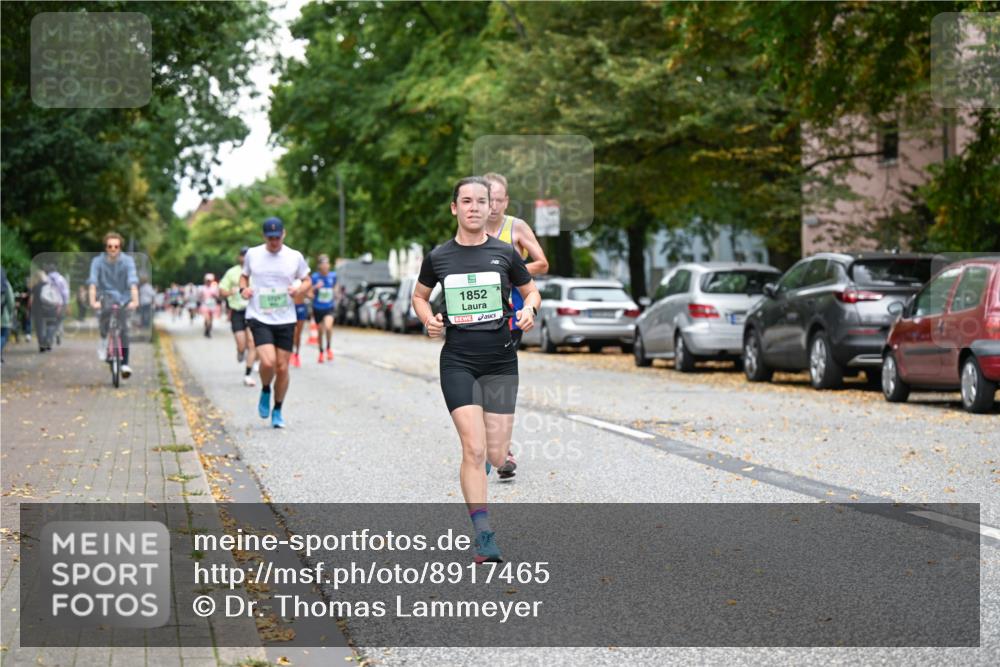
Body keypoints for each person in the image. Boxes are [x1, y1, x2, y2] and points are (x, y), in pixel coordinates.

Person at [411, 177, 540, 563]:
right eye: (465, 201)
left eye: (480, 202)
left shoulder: (504, 253)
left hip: (501, 359)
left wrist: (529, 308)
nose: (473, 207)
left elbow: (531, 289)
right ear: (455, 208)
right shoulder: (439, 257)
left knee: (497, 454)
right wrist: (428, 319)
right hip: (459, 361)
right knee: (474, 446)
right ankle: (483, 534)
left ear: (490, 208)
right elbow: (419, 296)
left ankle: (485, 466)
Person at [483, 172, 550, 479]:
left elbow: (543, 263)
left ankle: (502, 449)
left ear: (506, 200)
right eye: (488, 199)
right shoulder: (473, 228)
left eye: (499, 200)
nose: (493, 206)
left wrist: (511, 270)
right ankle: (487, 444)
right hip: (478, 318)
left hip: (511, 317)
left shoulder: (516, 227)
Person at [239, 217, 311, 428]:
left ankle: (277, 409)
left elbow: (307, 280)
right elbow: (244, 278)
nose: (274, 242)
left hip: (286, 318)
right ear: (264, 237)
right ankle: (265, 389)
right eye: (270, 238)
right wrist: (243, 289)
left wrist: (300, 289)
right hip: (259, 316)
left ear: (283, 234)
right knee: (268, 362)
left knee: (282, 367)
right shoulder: (253, 254)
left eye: (277, 237)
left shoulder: (294, 256)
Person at [87, 232, 139, 378]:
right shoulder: (97, 261)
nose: (113, 249)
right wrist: (93, 301)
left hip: (123, 297)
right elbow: (93, 282)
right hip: (105, 296)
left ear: (120, 247)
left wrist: (135, 300)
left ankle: (125, 364)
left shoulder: (128, 261)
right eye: (110, 246)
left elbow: (132, 281)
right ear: (106, 247)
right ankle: (104, 341)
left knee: (124, 329)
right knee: (104, 319)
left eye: (116, 246)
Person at [219, 247, 257, 386]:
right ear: (239, 257)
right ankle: (241, 352)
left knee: (252, 343)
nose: (245, 258)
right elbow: (221, 290)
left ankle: (247, 374)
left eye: (247, 256)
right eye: (243, 256)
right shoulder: (232, 272)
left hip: (252, 311)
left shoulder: (257, 270)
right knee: (242, 345)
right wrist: (230, 292)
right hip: (237, 312)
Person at [309, 254, 337, 363]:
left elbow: (335, 287)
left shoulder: (333, 276)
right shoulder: (315, 277)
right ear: (319, 266)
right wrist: (316, 287)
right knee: (320, 331)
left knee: (328, 327)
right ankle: (321, 352)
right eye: (323, 264)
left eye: (327, 263)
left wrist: (335, 293)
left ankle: (329, 348)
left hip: (329, 307)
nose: (325, 266)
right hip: (318, 308)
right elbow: (309, 292)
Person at [290, 286, 308, 368]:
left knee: (298, 334)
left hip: (301, 308)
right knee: (293, 332)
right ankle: (290, 352)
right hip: (290, 307)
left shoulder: (305, 280)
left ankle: (297, 354)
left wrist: (308, 292)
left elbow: (310, 294)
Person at [198, 273, 220, 337]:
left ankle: (208, 328)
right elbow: (199, 297)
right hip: (205, 305)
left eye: (209, 281)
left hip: (212, 305)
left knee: (211, 319)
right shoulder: (202, 288)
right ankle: (207, 330)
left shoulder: (214, 288)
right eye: (207, 280)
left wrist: (215, 296)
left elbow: (218, 297)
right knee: (207, 318)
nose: (208, 282)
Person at [1, 266, 14, 362]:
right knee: (4, 335)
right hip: (2, 314)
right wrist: (10, 313)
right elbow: (11, 302)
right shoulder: (5, 284)